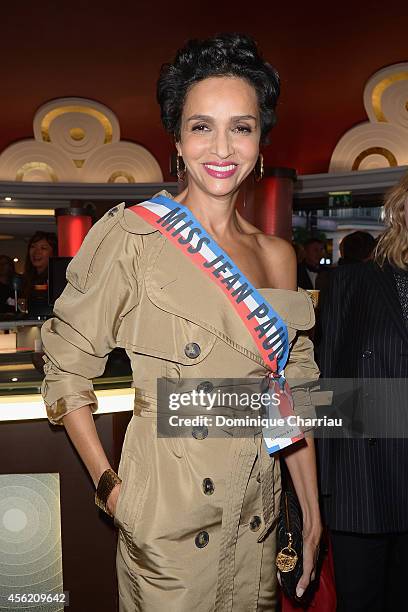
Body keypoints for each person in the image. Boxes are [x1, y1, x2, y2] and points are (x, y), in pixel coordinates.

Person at [41, 33, 322, 611]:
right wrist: (113, 492)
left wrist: (313, 511)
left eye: (241, 126)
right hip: (168, 522)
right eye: (202, 126)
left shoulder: (277, 255)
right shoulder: (133, 236)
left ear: (261, 141)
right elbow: (65, 370)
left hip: (256, 519)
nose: (222, 146)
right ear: (176, 139)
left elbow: (288, 395)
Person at [317, 171, 408, 611]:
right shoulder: (354, 283)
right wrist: (321, 484)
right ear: (402, 213)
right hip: (363, 480)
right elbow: (329, 383)